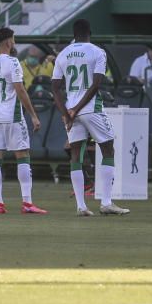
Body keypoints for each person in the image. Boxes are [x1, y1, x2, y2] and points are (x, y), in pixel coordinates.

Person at [52, 19, 129, 216]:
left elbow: (55, 87)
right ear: (89, 33)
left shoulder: (63, 54)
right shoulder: (97, 51)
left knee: (76, 154)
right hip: (90, 108)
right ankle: (106, 202)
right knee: (108, 148)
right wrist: (77, 109)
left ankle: (81, 206)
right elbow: (96, 84)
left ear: (74, 33)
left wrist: (66, 113)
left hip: (70, 110)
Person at [0, 27, 46, 215]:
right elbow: (20, 90)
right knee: (22, 156)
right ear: (8, 42)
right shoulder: (13, 62)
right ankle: (27, 203)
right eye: (13, 39)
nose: (14, 43)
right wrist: (33, 115)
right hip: (12, 117)